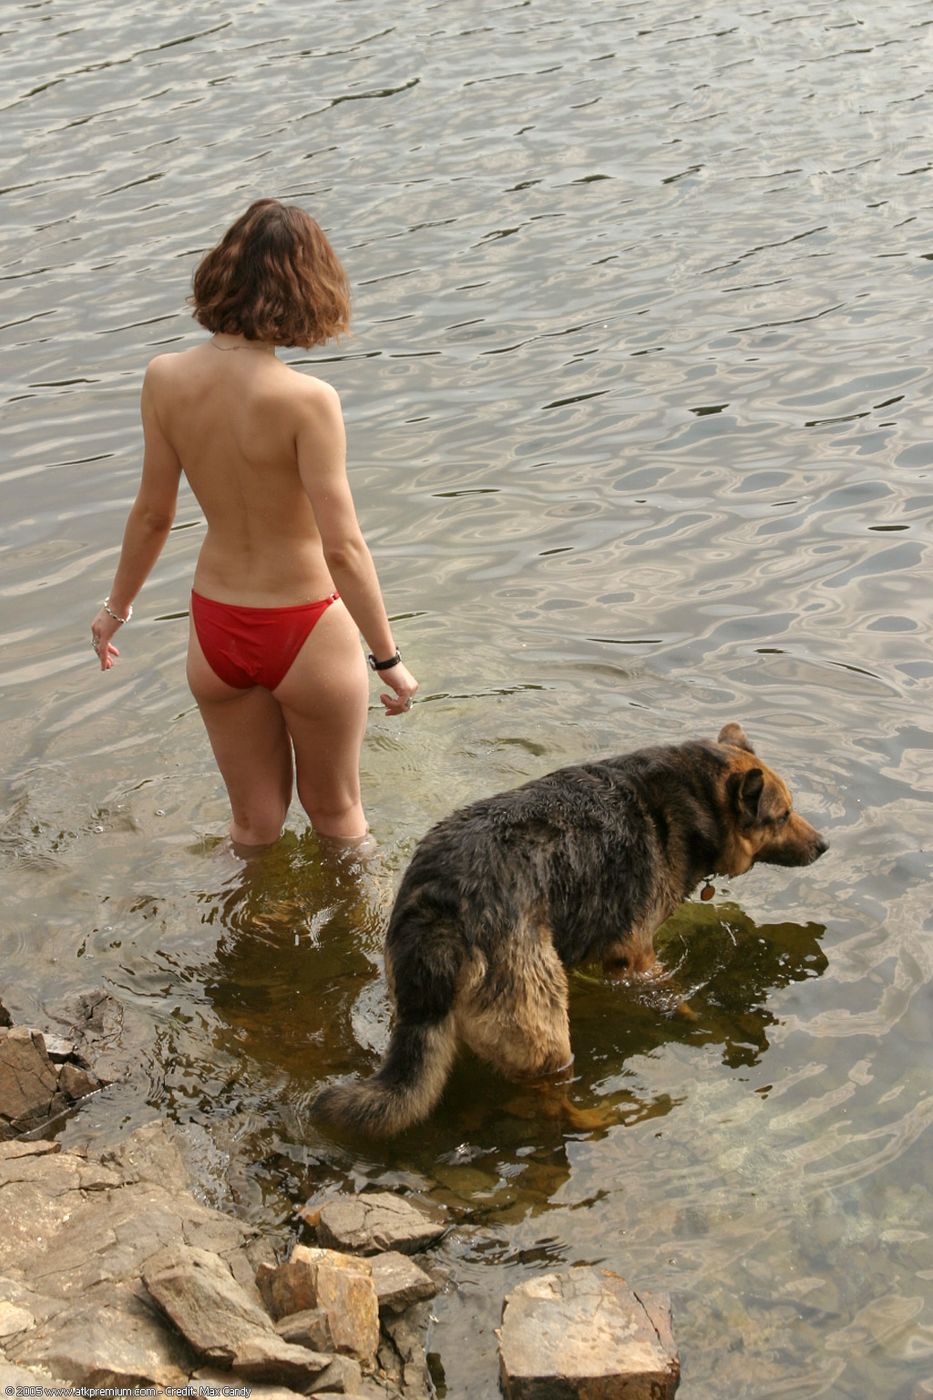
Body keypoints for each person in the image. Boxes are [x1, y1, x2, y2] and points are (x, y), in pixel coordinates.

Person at [89, 198, 418, 849]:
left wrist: (115, 610)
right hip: (304, 624)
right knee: (338, 816)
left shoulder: (164, 378)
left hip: (217, 627)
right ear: (307, 289)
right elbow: (344, 549)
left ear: (222, 273)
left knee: (253, 824)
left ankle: (245, 913)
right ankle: (362, 922)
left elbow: (153, 514)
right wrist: (388, 659)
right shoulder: (308, 400)